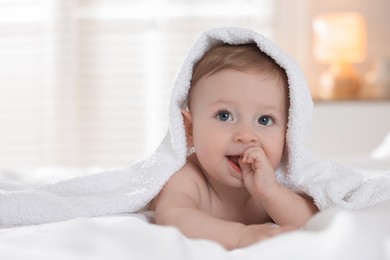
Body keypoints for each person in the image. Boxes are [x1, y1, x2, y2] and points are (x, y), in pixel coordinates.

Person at [151, 43, 318, 250]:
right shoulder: (186, 176)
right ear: (189, 129)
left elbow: (314, 220)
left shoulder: (273, 179)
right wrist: (240, 236)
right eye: (224, 116)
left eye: (265, 120)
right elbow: (173, 217)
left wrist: (271, 192)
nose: (246, 136)